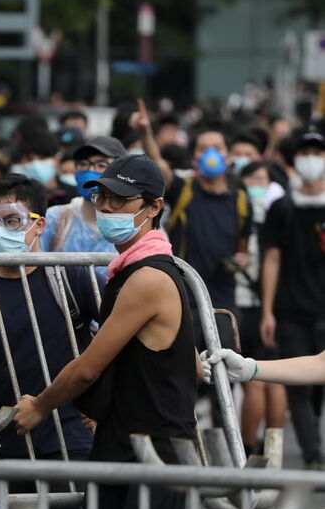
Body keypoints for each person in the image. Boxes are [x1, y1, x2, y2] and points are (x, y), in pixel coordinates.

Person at [14, 154, 199, 509]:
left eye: (121, 199)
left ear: (154, 207)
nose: (107, 207)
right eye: (102, 197)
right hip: (124, 444)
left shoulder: (149, 278)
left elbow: (86, 368)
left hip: (156, 454)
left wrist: (39, 406)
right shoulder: (132, 270)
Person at [0, 173, 98, 509]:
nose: (0, 229)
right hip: (2, 448)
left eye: (12, 220)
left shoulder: (72, 279)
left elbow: (116, 342)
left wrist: (105, 405)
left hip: (69, 442)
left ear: (38, 224)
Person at [133, 99, 252, 317]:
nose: (210, 154)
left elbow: (242, 250)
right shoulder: (183, 189)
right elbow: (159, 164)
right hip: (184, 299)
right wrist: (145, 133)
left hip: (223, 303)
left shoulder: (240, 199)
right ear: (194, 158)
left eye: (216, 148)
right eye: (203, 149)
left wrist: (241, 261)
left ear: (228, 156)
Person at [255, 131, 323, 466]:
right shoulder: (282, 208)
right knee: (299, 387)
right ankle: (313, 455)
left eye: (318, 151)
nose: (312, 158)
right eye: (305, 151)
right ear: (295, 160)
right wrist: (268, 310)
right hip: (292, 309)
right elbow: (272, 258)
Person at [234, 161, 286, 455]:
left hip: (248, 305)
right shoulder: (282, 213)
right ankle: (273, 450)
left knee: (253, 379)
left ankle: (249, 449)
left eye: (260, 178)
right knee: (276, 378)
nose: (254, 183)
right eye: (250, 178)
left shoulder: (242, 212)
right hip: (275, 307)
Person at [41, 136, 127, 278]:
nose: (89, 171)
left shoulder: (134, 223)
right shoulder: (56, 218)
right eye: (83, 164)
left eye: (101, 165)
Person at [14, 130, 78, 208]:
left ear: (56, 159)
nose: (35, 164)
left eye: (42, 158)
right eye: (29, 159)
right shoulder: (16, 199)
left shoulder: (74, 196)